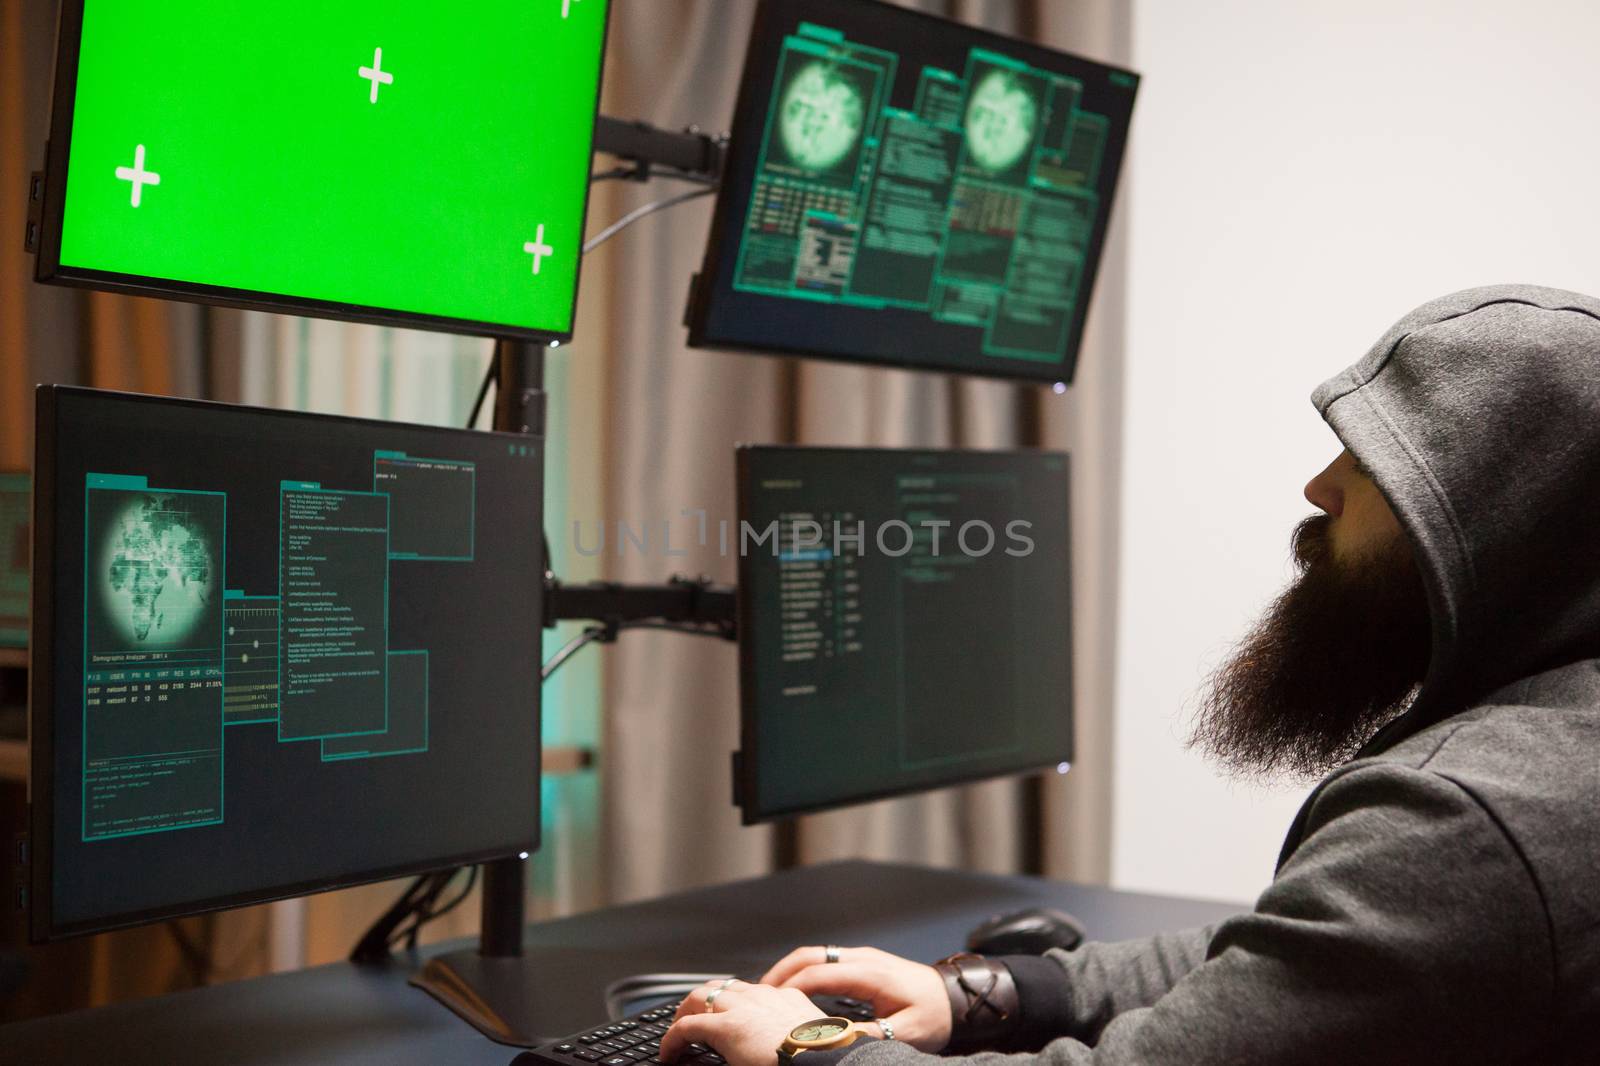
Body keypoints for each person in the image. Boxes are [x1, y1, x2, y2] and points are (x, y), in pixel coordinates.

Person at [657, 284, 1600, 1064]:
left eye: (1377, 462)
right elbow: (1293, 969)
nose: (1323, 486)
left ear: (1493, 528)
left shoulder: (1465, 823)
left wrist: (815, 1048)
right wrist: (989, 993)